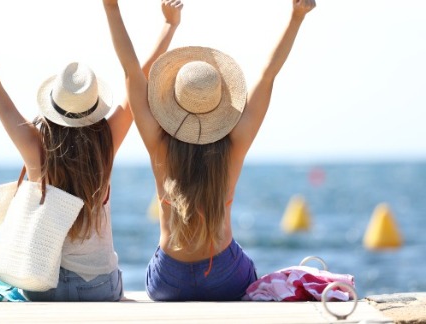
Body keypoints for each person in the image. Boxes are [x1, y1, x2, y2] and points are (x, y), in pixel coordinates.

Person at [0, 0, 182, 301]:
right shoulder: (106, 142)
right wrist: (168, 25)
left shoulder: (35, 148)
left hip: (43, 285)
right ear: (94, 107)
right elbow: (138, 78)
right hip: (99, 287)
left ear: (53, 105)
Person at [103, 0, 316, 301]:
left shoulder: (158, 143)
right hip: (223, 276)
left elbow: (130, 71)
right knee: (246, 263)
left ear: (172, 103)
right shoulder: (235, 144)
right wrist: (296, 18)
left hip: (169, 279)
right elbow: (268, 74)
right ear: (219, 104)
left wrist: (112, 8)